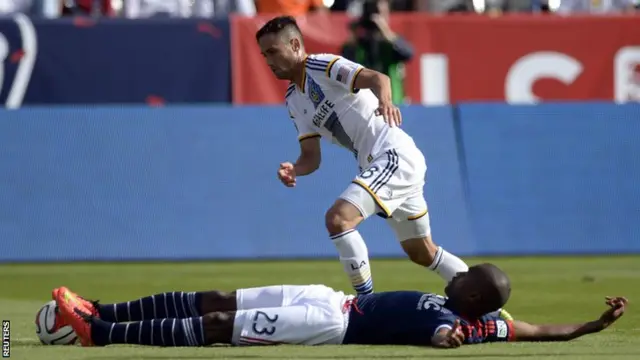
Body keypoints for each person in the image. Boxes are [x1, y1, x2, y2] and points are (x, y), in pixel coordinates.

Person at [255, 15, 469, 298]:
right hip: (382, 163)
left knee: (338, 220)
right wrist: (295, 169)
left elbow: (375, 78)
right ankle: (487, 302)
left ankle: (365, 306)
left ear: (295, 44)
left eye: (273, 51)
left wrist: (386, 101)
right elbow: (311, 157)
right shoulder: (294, 99)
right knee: (422, 253)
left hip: (393, 156)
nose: (268, 61)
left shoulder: (323, 65)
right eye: (264, 54)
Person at [54, 263, 627, 348]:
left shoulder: (459, 323)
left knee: (220, 323)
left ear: (472, 295)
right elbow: (537, 329)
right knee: (218, 296)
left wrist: (447, 341)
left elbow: (442, 339)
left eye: (466, 277)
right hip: (334, 298)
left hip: (329, 325)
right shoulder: (494, 320)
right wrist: (592, 325)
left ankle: (98, 335)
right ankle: (103, 309)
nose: (457, 274)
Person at [341, 0, 414, 104]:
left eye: (380, 13)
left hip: (393, 102)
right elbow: (346, 64)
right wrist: (353, 38)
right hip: (365, 103)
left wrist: (386, 32)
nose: (376, 18)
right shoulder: (359, 44)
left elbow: (408, 54)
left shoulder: (391, 42)